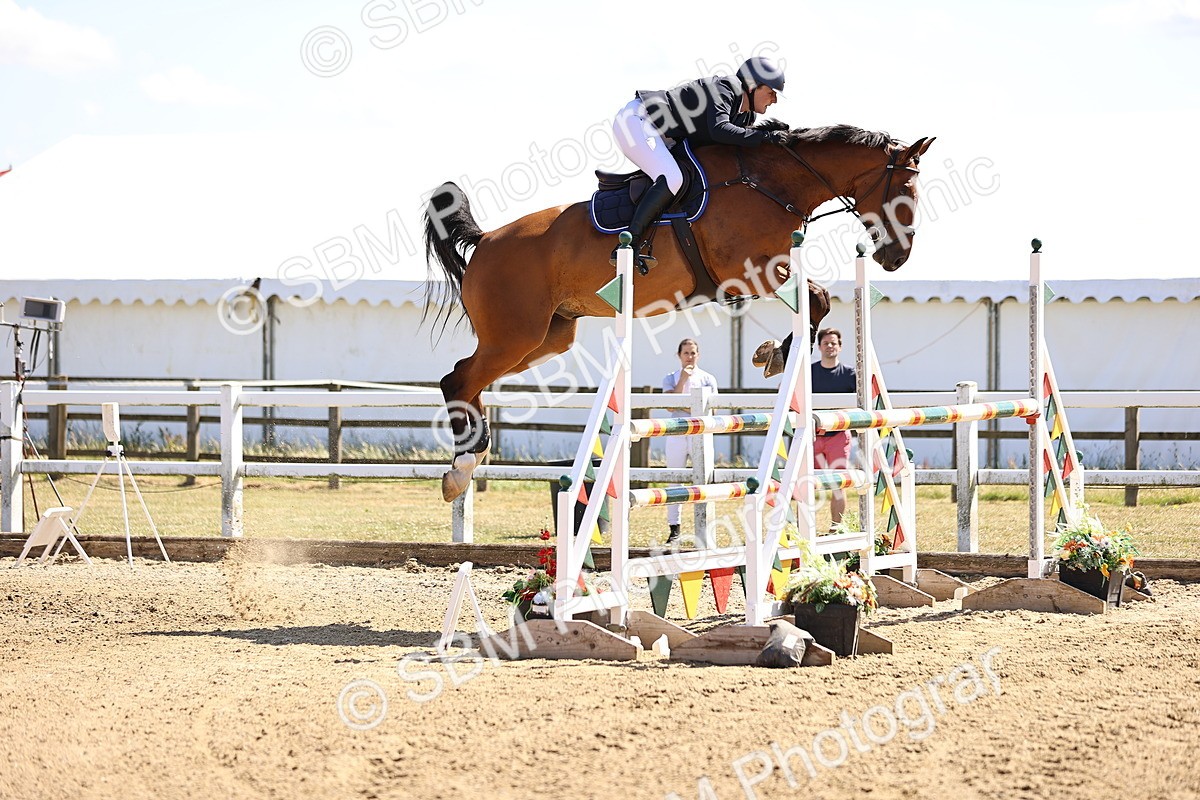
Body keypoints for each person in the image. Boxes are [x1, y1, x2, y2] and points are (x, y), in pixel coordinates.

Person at [611, 56, 788, 267]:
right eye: (770, 92)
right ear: (752, 86)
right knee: (673, 177)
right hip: (638, 122)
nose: (774, 100)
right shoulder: (725, 88)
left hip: (664, 136)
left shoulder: (745, 117)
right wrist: (765, 138)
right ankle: (627, 247)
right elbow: (719, 129)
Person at [662, 338, 719, 543]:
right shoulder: (670, 378)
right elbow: (670, 405)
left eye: (693, 353)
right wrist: (682, 383)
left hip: (701, 432)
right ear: (679, 355)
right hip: (677, 431)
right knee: (674, 477)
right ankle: (674, 527)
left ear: (698, 354)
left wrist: (689, 408)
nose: (690, 357)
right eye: (686, 353)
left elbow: (714, 409)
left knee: (704, 477)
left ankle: (705, 526)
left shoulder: (708, 378)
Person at [811, 327, 857, 525]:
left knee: (839, 483)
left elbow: (863, 402)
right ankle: (804, 530)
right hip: (811, 435)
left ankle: (836, 528)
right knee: (806, 484)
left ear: (840, 346)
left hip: (838, 436)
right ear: (819, 347)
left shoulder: (851, 374)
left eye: (833, 343)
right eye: (826, 343)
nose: (830, 346)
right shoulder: (808, 372)